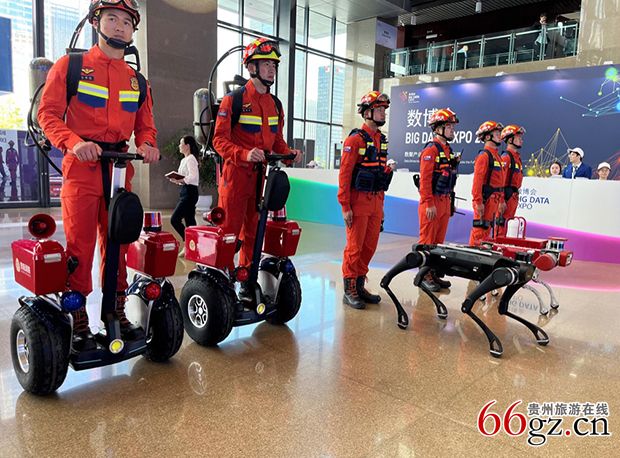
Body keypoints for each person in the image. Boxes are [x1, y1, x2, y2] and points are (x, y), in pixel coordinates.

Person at [38, 0, 159, 351]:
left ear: (133, 30)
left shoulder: (138, 81)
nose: (120, 26)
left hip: (120, 169)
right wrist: (74, 143)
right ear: (96, 22)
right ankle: (78, 318)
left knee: (119, 242)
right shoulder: (71, 66)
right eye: (111, 18)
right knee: (80, 246)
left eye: (127, 22)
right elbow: (48, 115)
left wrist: (148, 144)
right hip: (82, 168)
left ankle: (116, 311)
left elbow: (146, 126)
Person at [212, 37, 301, 299]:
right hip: (235, 177)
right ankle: (222, 282)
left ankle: (247, 280)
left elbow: (277, 141)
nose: (272, 70)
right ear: (252, 67)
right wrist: (244, 153)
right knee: (229, 233)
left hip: (262, 179)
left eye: (274, 65)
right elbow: (219, 141)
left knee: (254, 232)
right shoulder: (234, 100)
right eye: (266, 64)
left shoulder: (275, 105)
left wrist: (288, 154)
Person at [338, 91, 395, 309]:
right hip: (358, 202)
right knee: (355, 247)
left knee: (369, 246)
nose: (383, 113)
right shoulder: (354, 140)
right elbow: (345, 175)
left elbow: (379, 175)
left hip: (376, 202)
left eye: (384, 110)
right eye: (379, 109)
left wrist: (382, 206)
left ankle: (360, 284)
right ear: (367, 112)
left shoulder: (381, 140)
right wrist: (345, 206)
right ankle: (349, 288)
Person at [417, 108, 460, 291]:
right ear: (437, 128)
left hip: (443, 201)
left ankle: (433, 273)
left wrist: (450, 203)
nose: (452, 130)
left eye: (452, 127)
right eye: (449, 127)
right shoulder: (431, 150)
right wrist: (428, 203)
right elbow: (425, 180)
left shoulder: (448, 150)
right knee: (427, 241)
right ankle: (423, 275)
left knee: (438, 243)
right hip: (432, 202)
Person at [469, 121, 506, 246]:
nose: (500, 136)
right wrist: (478, 202)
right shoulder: (484, 156)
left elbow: (500, 182)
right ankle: (473, 254)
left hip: (494, 200)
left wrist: (501, 199)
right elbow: (477, 182)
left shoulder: (497, 157)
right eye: (496, 133)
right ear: (487, 136)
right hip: (486, 200)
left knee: (487, 232)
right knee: (480, 232)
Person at [169, 135, 200, 254]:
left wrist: (181, 179)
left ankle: (188, 243)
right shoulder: (184, 160)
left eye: (181, 143)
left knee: (174, 219)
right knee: (190, 221)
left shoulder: (191, 159)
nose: (179, 146)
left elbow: (193, 177)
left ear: (187, 146)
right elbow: (184, 178)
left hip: (190, 192)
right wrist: (177, 180)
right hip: (184, 191)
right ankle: (193, 247)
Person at [497, 124, 525, 236]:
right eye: (518, 137)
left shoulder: (517, 158)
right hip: (506, 196)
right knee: (501, 225)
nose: (521, 140)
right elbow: (500, 181)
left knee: (508, 226)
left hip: (513, 196)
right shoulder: (506, 157)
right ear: (509, 140)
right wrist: (501, 200)